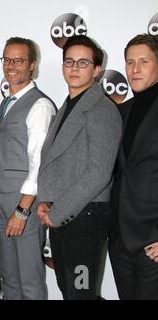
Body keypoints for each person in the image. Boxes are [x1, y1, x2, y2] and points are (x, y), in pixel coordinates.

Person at [36, 35, 122, 300]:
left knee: (81, 292)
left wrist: (57, 212)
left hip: (85, 219)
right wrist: (46, 201)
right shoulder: (69, 106)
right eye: (69, 61)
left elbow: (98, 173)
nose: (74, 68)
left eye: (83, 62)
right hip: (64, 216)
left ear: (96, 70)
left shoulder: (102, 110)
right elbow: (59, 162)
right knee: (69, 289)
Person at [0, 37, 56, 300]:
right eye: (7, 59)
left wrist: (22, 209)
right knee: (10, 279)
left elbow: (39, 163)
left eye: (18, 60)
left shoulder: (40, 105)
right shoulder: (7, 103)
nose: (11, 65)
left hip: (24, 204)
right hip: (1, 200)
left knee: (29, 280)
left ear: (32, 65)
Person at [109, 34, 158, 299]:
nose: (135, 69)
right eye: (130, 62)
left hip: (153, 241)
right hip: (120, 240)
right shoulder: (121, 111)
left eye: (144, 62)